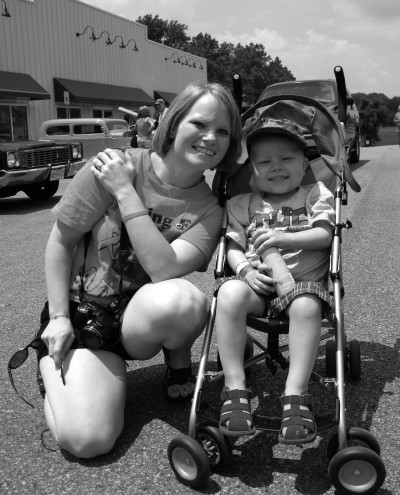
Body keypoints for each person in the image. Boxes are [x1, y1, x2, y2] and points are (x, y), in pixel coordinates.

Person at [37, 81, 242, 459]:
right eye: (199, 124)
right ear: (174, 121)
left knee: (185, 300)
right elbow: (60, 242)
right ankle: (60, 369)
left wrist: (125, 193)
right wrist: (59, 317)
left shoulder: (211, 210)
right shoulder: (116, 164)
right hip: (84, 315)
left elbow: (163, 268)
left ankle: (176, 361)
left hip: (137, 321)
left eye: (223, 131)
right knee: (88, 441)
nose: (210, 137)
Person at [215, 118, 335, 444]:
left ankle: (295, 395)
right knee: (228, 294)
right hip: (260, 287)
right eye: (264, 161)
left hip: (301, 288)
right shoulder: (242, 204)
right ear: (251, 170)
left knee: (307, 304)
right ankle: (236, 388)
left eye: (287, 158)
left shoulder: (315, 194)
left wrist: (282, 238)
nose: (276, 167)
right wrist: (245, 272)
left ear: (305, 164)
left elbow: (324, 234)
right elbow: (234, 248)